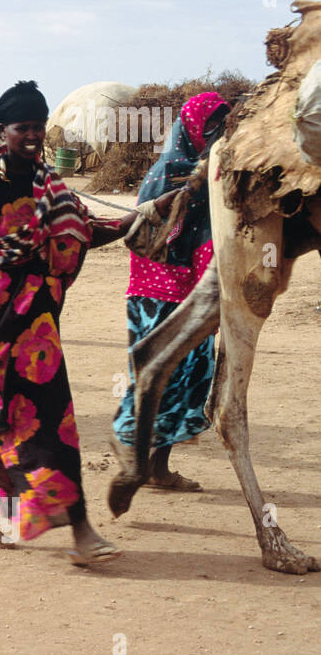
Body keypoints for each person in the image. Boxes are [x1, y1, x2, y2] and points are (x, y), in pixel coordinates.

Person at [0, 81, 178, 565]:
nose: (33, 135)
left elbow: (85, 231)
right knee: (46, 424)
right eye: (23, 127)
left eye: (39, 127)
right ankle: (81, 532)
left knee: (9, 424)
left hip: (38, 324)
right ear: (4, 129)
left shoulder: (47, 184)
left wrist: (146, 213)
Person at [112, 92, 229, 491]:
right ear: (194, 128)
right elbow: (169, 238)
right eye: (212, 126)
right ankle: (133, 458)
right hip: (159, 297)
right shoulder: (173, 173)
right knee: (158, 377)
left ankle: (156, 468)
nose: (218, 135)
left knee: (190, 378)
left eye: (223, 127)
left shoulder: (203, 172)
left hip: (188, 292)